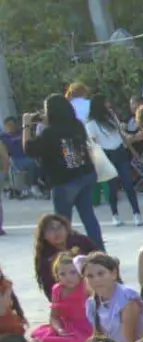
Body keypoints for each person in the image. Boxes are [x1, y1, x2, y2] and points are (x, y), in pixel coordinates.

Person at [22, 94, 105, 248]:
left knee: (61, 222)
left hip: (64, 180)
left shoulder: (49, 133)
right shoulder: (77, 125)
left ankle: (64, 255)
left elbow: (29, 149)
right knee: (89, 217)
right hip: (86, 174)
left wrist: (26, 125)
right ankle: (99, 250)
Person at [86, 93, 143, 227]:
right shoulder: (91, 123)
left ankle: (136, 214)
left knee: (128, 184)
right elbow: (93, 142)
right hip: (106, 155)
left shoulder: (111, 115)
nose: (109, 104)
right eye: (106, 102)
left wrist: (132, 145)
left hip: (120, 151)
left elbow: (120, 132)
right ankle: (115, 215)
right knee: (112, 187)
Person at [30, 252, 92, 342]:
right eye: (62, 274)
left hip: (86, 326)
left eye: (73, 272)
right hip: (66, 326)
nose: (68, 277)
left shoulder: (86, 287)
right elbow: (54, 316)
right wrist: (59, 329)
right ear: (57, 276)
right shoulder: (57, 290)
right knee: (40, 337)